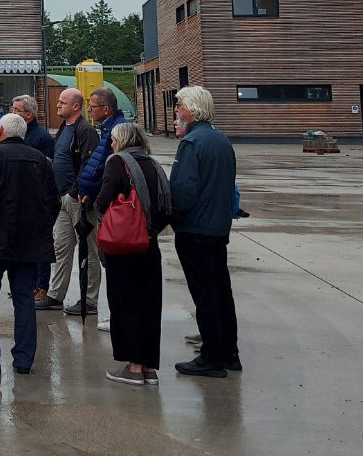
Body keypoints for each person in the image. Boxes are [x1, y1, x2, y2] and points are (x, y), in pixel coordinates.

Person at [0, 113, 59, 376]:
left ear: (1, 131)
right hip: (29, 243)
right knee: (24, 297)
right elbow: (54, 201)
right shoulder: (40, 160)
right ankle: (24, 359)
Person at [169, 85, 241, 379]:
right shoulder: (221, 139)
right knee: (221, 291)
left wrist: (172, 218)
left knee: (205, 295)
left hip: (195, 228)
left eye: (179, 106)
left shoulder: (192, 142)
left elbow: (182, 191)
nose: (176, 111)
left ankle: (211, 358)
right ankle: (228, 352)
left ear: (192, 109)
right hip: (217, 227)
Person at [96, 122, 172, 386]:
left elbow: (103, 199)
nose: (112, 144)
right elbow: (165, 206)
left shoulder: (118, 163)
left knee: (125, 304)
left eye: (114, 140)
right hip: (149, 244)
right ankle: (149, 366)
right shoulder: (153, 164)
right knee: (149, 304)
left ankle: (133, 367)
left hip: (125, 245)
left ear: (123, 141)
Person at [38, 87, 99, 311]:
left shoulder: (85, 131)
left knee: (88, 251)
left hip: (78, 200)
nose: (57, 105)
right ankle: (55, 295)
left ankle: (89, 300)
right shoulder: (65, 128)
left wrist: (75, 191)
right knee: (61, 247)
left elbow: (89, 165)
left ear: (76, 106)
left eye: (62, 102)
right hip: (61, 198)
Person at [71, 87, 128, 318]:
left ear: (106, 109)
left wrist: (93, 193)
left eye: (92, 106)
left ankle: (120, 314)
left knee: (110, 261)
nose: (90, 110)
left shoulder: (116, 131)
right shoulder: (107, 129)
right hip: (96, 200)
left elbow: (105, 168)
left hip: (111, 207)